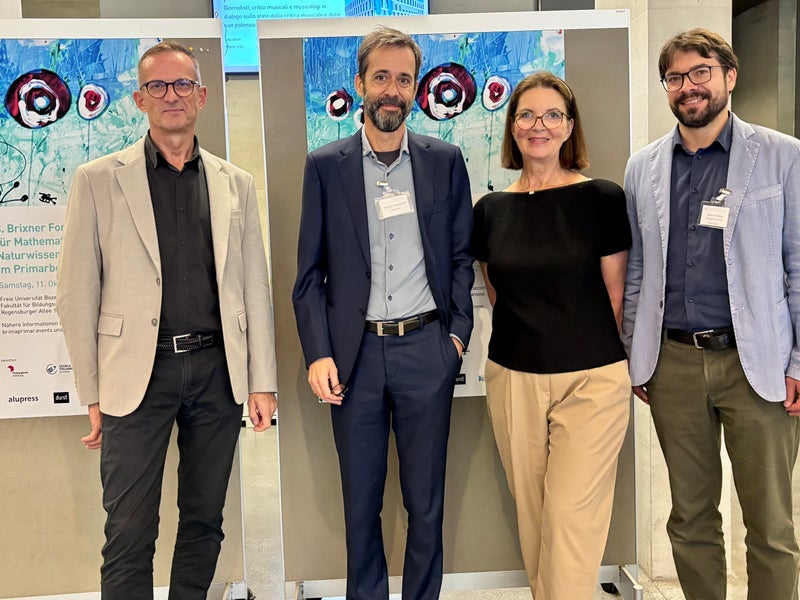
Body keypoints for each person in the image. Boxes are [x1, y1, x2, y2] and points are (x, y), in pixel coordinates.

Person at [55, 41, 278, 600]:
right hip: (136, 375)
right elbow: (76, 293)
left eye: (182, 84)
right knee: (129, 530)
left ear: (201, 95)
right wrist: (92, 391)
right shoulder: (98, 179)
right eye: (157, 85)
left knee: (204, 522)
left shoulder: (235, 182)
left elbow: (255, 287)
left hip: (215, 373)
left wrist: (262, 381)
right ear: (140, 99)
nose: (170, 95)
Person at [292, 26, 474, 600]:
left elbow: (462, 256)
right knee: (360, 505)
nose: (392, 90)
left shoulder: (445, 161)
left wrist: (456, 339)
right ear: (360, 84)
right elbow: (308, 274)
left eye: (403, 79)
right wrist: (319, 353)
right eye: (381, 77)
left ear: (416, 88)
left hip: (427, 350)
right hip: (356, 358)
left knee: (426, 503)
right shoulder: (326, 165)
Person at [623, 28, 800, 600]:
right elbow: (637, 270)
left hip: (758, 364)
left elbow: (799, 264)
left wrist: (799, 361)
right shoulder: (643, 167)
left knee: (770, 525)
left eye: (701, 72)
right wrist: (636, 353)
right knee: (690, 518)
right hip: (672, 363)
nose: (688, 86)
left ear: (729, 76)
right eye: (675, 77)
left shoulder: (783, 156)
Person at [471, 71, 631, 599]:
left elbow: (614, 298)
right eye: (526, 115)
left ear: (568, 127)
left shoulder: (602, 198)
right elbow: (497, 294)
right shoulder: (490, 211)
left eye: (552, 115)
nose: (538, 125)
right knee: (536, 518)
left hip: (591, 379)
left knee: (568, 523)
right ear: (512, 127)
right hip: (513, 377)